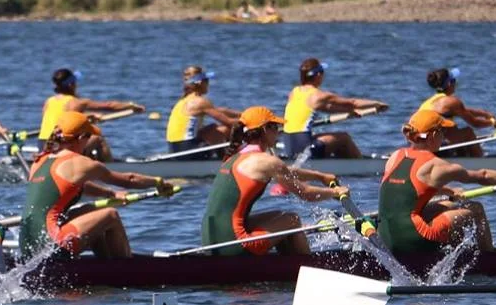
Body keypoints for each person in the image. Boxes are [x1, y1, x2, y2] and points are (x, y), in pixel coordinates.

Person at [19, 111, 178, 258]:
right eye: (89, 136)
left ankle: (104, 265)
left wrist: (111, 194)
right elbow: (128, 179)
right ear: (81, 138)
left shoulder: (39, 161)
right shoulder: (80, 162)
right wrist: (158, 182)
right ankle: (126, 269)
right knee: (111, 215)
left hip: (27, 246)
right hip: (52, 244)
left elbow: (75, 187)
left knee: (88, 212)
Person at [378, 109, 496, 257]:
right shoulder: (437, 166)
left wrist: (449, 191)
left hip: (384, 236)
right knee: (475, 209)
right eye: (443, 131)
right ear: (433, 135)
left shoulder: (395, 156)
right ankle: (488, 257)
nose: (444, 137)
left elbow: (407, 188)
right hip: (412, 240)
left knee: (449, 205)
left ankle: (451, 252)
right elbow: (483, 175)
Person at [201, 106, 349, 256]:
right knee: (292, 220)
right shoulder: (266, 161)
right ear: (265, 129)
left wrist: (320, 176)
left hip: (211, 240)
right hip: (234, 244)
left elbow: (286, 172)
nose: (278, 132)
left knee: (278, 216)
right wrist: (335, 192)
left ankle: (284, 262)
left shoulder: (235, 157)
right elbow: (306, 193)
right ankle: (306, 263)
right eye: (276, 127)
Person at [280, 58, 386, 160]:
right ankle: (361, 165)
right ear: (318, 75)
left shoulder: (294, 92)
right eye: (322, 72)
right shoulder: (319, 95)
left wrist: (349, 112)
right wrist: (378, 104)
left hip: (290, 147)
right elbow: (353, 103)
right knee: (344, 138)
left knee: (327, 138)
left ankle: (341, 162)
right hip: (306, 149)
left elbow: (328, 108)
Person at [37, 67, 141, 157]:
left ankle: (87, 159)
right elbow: (109, 106)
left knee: (84, 135)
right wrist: (131, 105)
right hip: (61, 145)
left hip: (43, 144)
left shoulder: (49, 101)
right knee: (98, 139)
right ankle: (107, 169)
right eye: (75, 82)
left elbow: (59, 119)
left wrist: (86, 117)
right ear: (71, 85)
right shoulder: (77, 102)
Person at [417, 66, 496, 154]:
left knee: (454, 132)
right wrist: (494, 122)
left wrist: (485, 114)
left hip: (420, 142)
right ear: (449, 84)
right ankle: (481, 160)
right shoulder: (451, 101)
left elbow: (465, 111)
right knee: (468, 132)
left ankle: (463, 158)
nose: (456, 83)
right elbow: (475, 123)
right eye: (454, 80)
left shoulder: (428, 102)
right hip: (433, 144)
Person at [165, 66, 239, 150]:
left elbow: (218, 110)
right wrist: (249, 120)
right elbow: (229, 122)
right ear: (200, 82)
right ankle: (229, 155)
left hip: (174, 148)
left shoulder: (183, 101)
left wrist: (242, 114)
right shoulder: (200, 102)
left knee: (212, 127)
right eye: (206, 81)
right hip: (188, 149)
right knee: (226, 129)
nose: (208, 84)